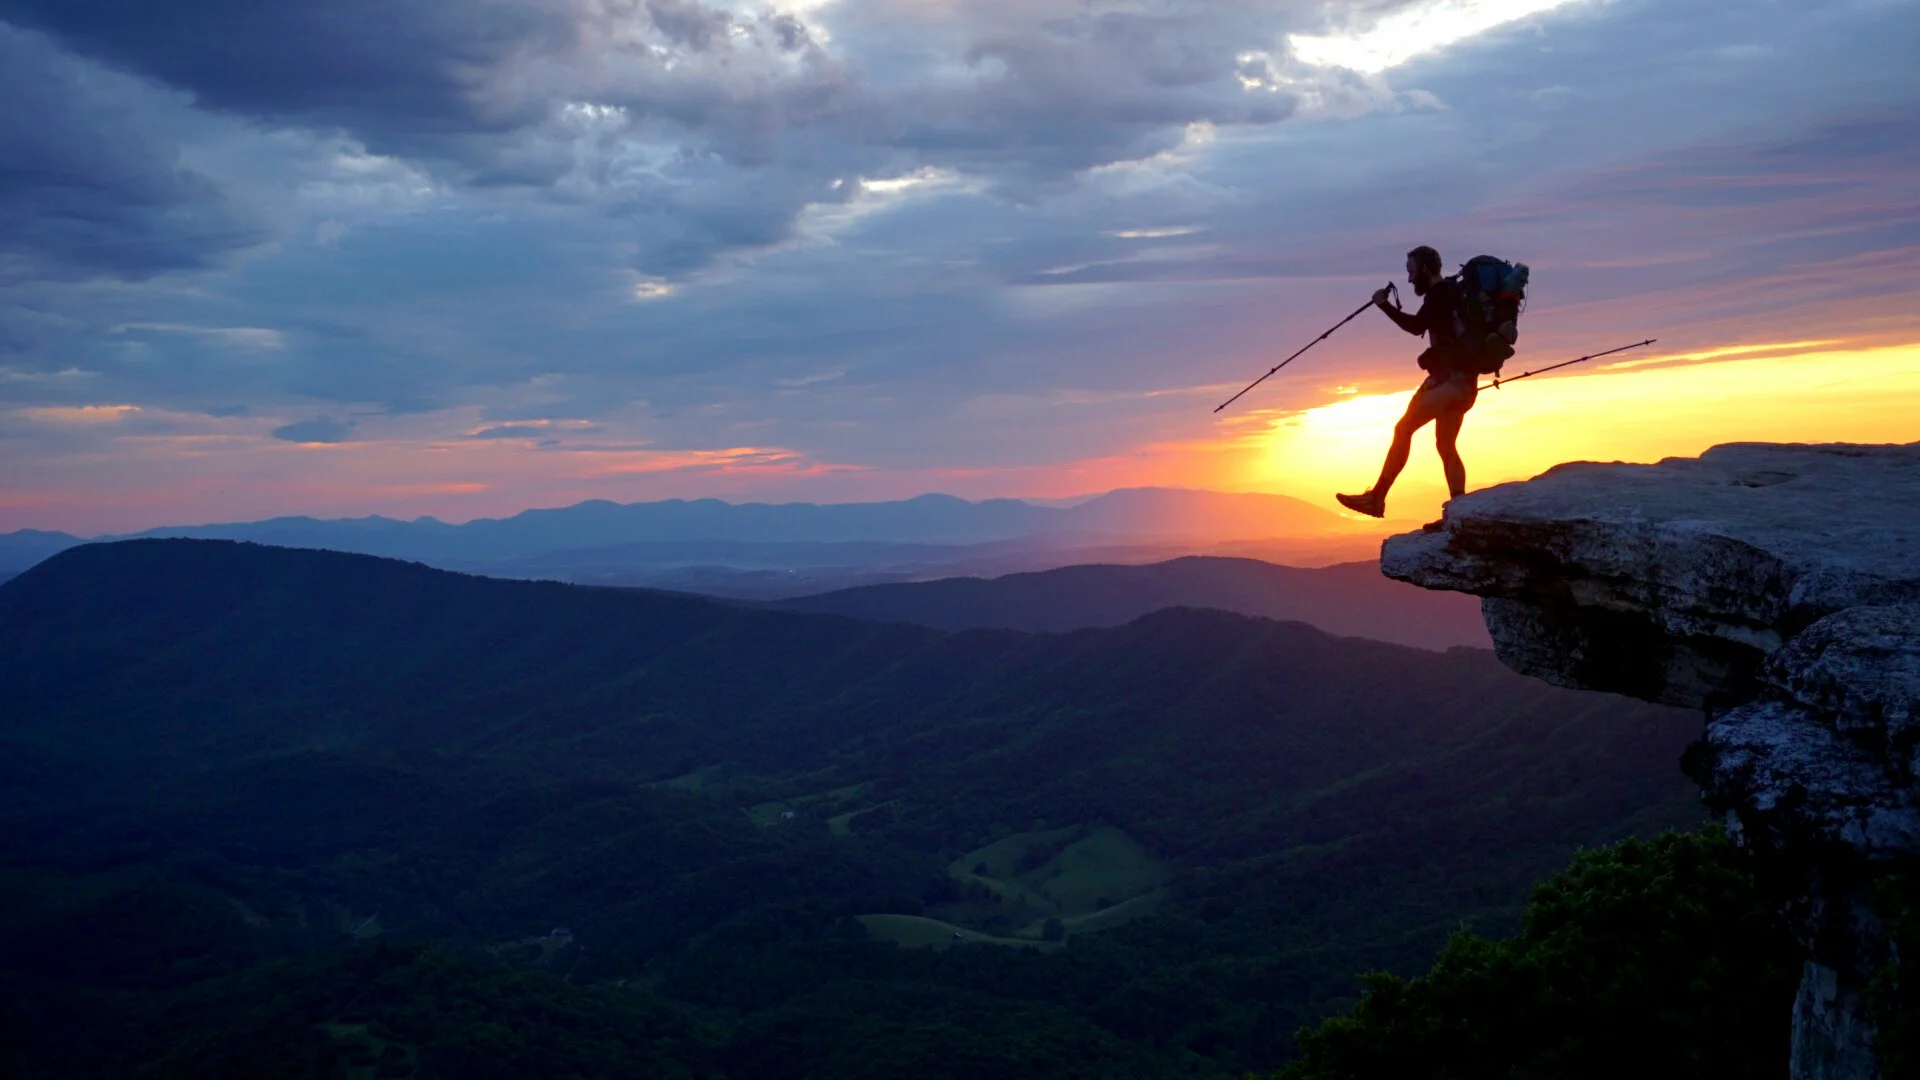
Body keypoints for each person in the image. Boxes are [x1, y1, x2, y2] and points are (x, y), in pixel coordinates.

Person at [1336, 245, 1477, 528]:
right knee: (1446, 445)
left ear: (1424, 269)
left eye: (1412, 272)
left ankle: (1376, 498)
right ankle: (1460, 512)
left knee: (1403, 429)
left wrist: (1383, 305)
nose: (1410, 279)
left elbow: (1415, 327)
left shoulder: (1439, 294)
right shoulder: (1453, 292)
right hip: (1466, 384)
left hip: (1448, 383)